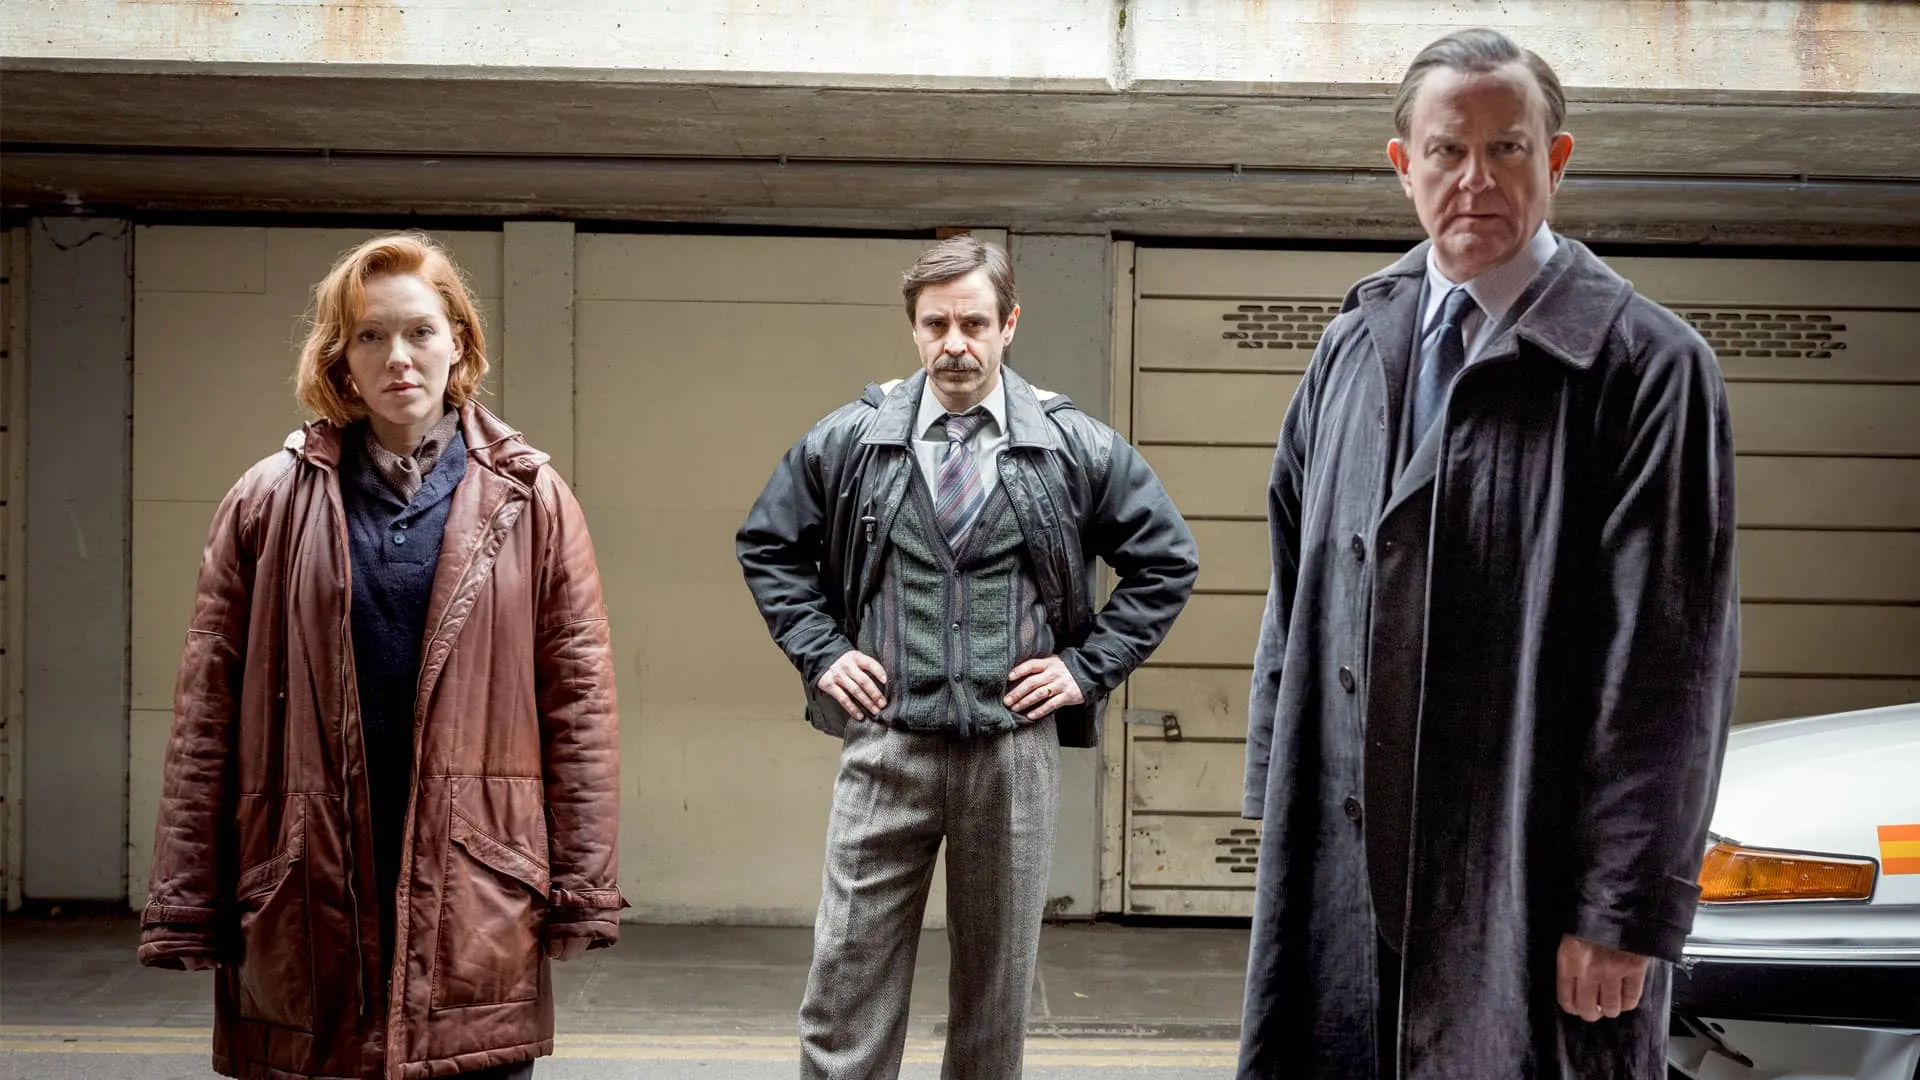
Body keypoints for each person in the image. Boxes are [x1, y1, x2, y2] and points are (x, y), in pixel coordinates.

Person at [1236, 28, 1739, 1080]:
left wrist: (1620, 910)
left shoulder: (1647, 367)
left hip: (1526, 881)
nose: (1476, 180)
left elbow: (1669, 672)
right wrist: (1280, 804)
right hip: (1345, 868)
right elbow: (1296, 582)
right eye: (1447, 151)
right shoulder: (1352, 343)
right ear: (1403, 164)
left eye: (1507, 149)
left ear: (1555, 159)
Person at [136, 233, 625, 1080]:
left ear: (458, 344)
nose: (398, 356)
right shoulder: (267, 500)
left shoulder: (531, 499)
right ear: (341, 359)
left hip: (477, 886)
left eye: (420, 331)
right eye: (370, 335)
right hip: (306, 884)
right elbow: (206, 710)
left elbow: (578, 703)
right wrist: (187, 896)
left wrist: (582, 888)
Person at [737, 236, 1198, 1078]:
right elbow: (769, 546)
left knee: (994, 997)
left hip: (1011, 754)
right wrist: (823, 652)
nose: (955, 343)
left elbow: (1167, 561)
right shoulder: (852, 440)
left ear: (1009, 324)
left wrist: (1084, 669)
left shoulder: (1073, 445)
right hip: (886, 748)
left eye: (974, 323)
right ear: (914, 328)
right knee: (845, 983)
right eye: (936, 324)